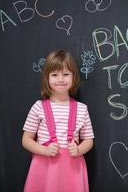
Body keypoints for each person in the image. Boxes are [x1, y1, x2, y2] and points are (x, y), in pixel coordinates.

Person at [22, 50, 94, 192]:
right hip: (44, 167)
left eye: (66, 74)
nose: (60, 79)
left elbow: (89, 140)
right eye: (54, 75)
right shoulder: (38, 107)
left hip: (72, 169)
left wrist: (79, 149)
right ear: (47, 78)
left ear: (73, 77)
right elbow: (26, 140)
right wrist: (44, 150)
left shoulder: (82, 109)